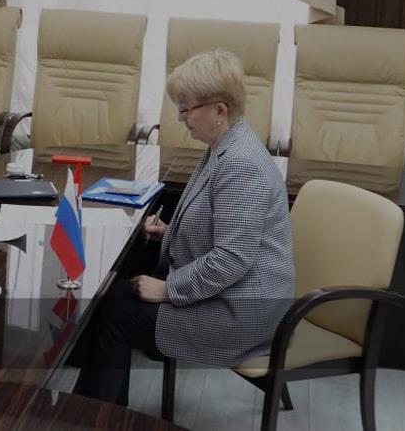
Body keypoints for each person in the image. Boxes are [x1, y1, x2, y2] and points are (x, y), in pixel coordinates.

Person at [74, 49, 294, 405]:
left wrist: (168, 289)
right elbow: (222, 225)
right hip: (231, 295)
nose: (180, 118)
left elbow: (232, 259)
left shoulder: (241, 165)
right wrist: (171, 231)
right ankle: (96, 412)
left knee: (116, 314)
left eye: (186, 108)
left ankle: (91, 417)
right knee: (114, 293)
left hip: (240, 315)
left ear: (219, 110)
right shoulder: (227, 145)